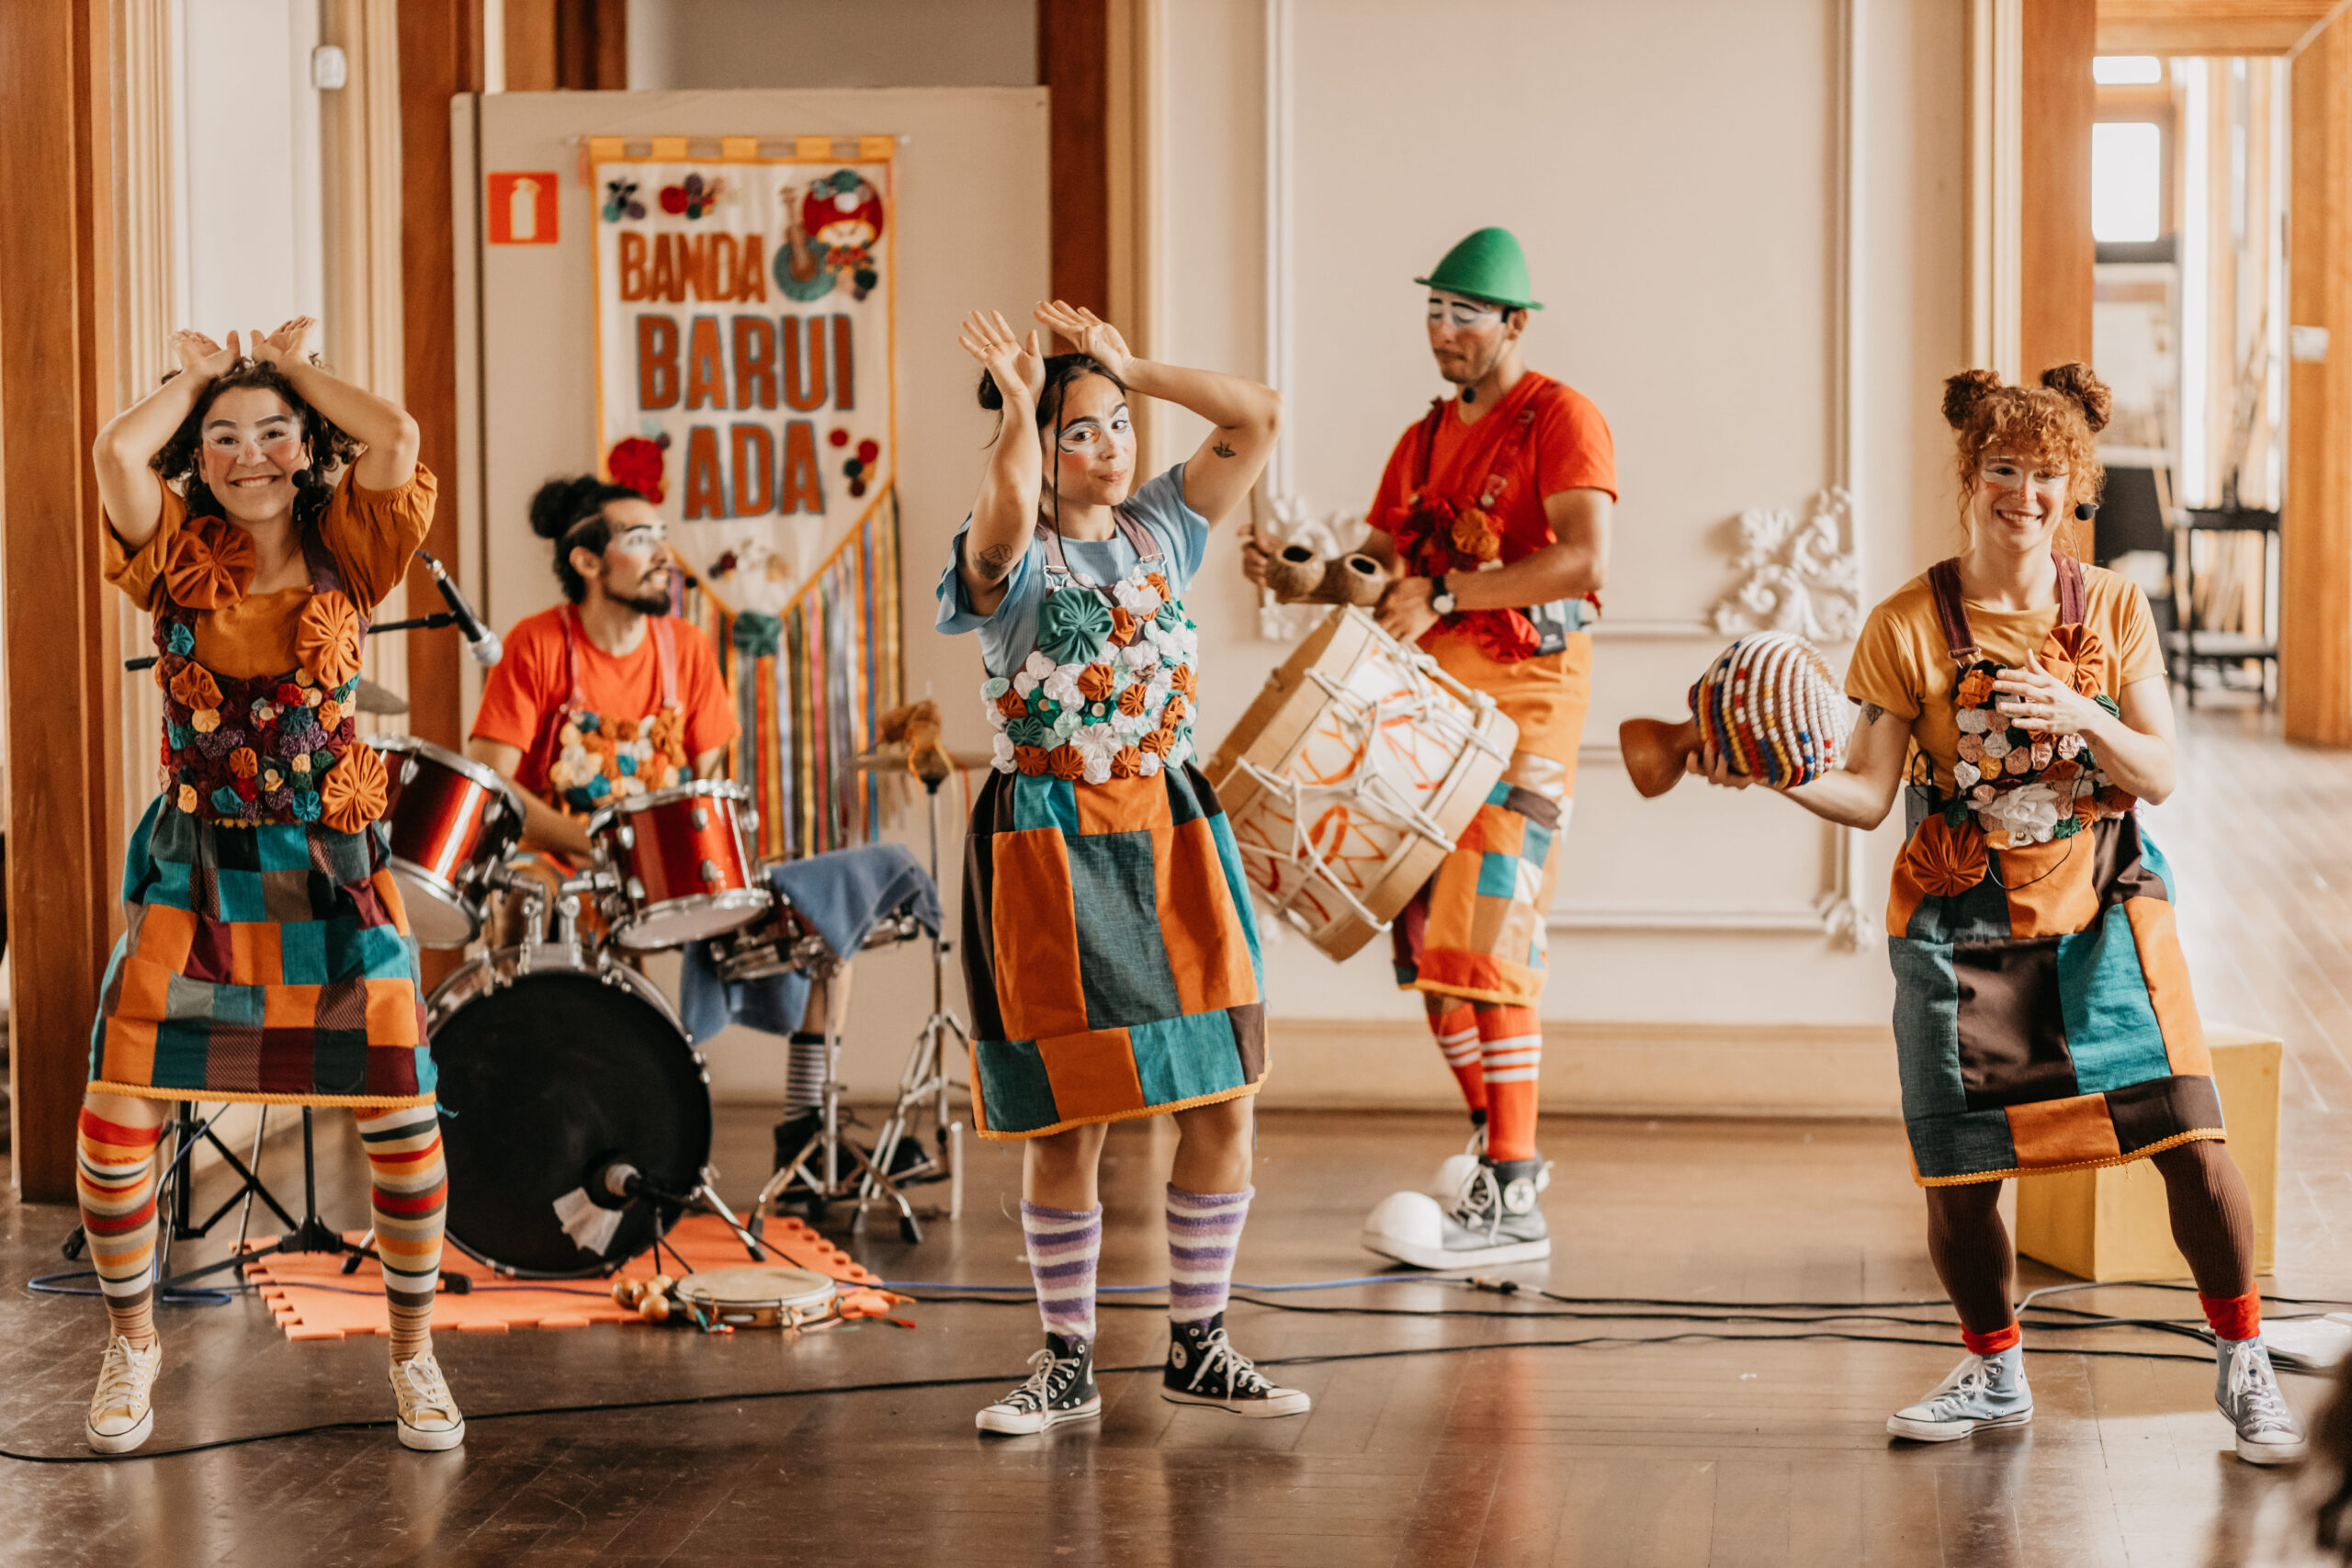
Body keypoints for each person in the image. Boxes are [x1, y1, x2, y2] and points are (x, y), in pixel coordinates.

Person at [1690, 364, 2304, 1466]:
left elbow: (2160, 772)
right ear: (1969, 476)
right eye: (2003, 469)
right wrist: (1772, 773)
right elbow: (1866, 793)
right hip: (1958, 918)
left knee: (2189, 1136)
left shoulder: (2112, 606)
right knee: (1961, 1168)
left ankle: (2243, 1360)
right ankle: (1995, 1370)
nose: (2024, 493)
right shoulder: (1902, 624)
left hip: (2103, 900)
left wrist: (2080, 711)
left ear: (2076, 488)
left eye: (2046, 474)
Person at [83, 320, 460, 1452]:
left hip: (332, 870)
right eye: (224, 438)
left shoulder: (355, 544)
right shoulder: (170, 546)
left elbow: (396, 434)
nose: (250, 454)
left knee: (402, 1112)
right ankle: (131, 1342)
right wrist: (202, 377)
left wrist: (290, 370)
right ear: (196, 457)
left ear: (307, 446)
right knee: (116, 1111)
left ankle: (414, 1354)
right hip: (197, 869)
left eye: (274, 433)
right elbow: (115, 453)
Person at [943, 300, 1301, 1434]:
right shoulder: (1006, 555)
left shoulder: (1162, 528)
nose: (1111, 447)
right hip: (1048, 842)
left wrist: (1127, 365)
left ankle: (1200, 1346)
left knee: (1221, 1096)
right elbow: (1004, 516)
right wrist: (1018, 409)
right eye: (1081, 433)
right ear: (1036, 449)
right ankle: (1067, 1362)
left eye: (1118, 425)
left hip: (1170, 830)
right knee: (1070, 1117)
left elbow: (1257, 416)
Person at [1247, 227, 1616, 1269]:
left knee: (1489, 934)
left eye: (1465, 315)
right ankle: (1498, 1147)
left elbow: (1585, 560)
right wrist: (1299, 574)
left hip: (1522, 711)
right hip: (1421, 716)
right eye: (1434, 312)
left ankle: (1515, 1190)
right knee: (1424, 943)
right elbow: (1375, 566)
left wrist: (1448, 593)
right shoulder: (1420, 439)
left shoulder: (1561, 417)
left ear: (1515, 323)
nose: (1444, 331)